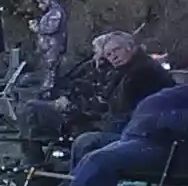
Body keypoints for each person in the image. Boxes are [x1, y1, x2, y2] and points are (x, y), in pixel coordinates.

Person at [7, 82, 188, 186]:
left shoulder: (146, 71)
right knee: (87, 143)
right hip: (143, 134)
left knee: (100, 160)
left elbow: (176, 120)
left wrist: (152, 119)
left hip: (169, 148)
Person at [17, 32, 175, 168]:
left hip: (124, 131)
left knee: (33, 111)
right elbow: (100, 99)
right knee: (31, 109)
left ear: (131, 47)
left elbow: (121, 113)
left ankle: (40, 171)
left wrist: (80, 115)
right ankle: (35, 167)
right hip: (96, 119)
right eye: (109, 54)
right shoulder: (121, 71)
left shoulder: (142, 72)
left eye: (116, 50)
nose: (113, 57)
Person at [32, 0, 68, 92]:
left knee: (51, 73)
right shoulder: (51, 12)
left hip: (54, 48)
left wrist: (37, 28)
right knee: (48, 71)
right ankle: (48, 91)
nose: (40, 6)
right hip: (50, 49)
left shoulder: (56, 12)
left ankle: (49, 93)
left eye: (41, 3)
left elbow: (52, 28)